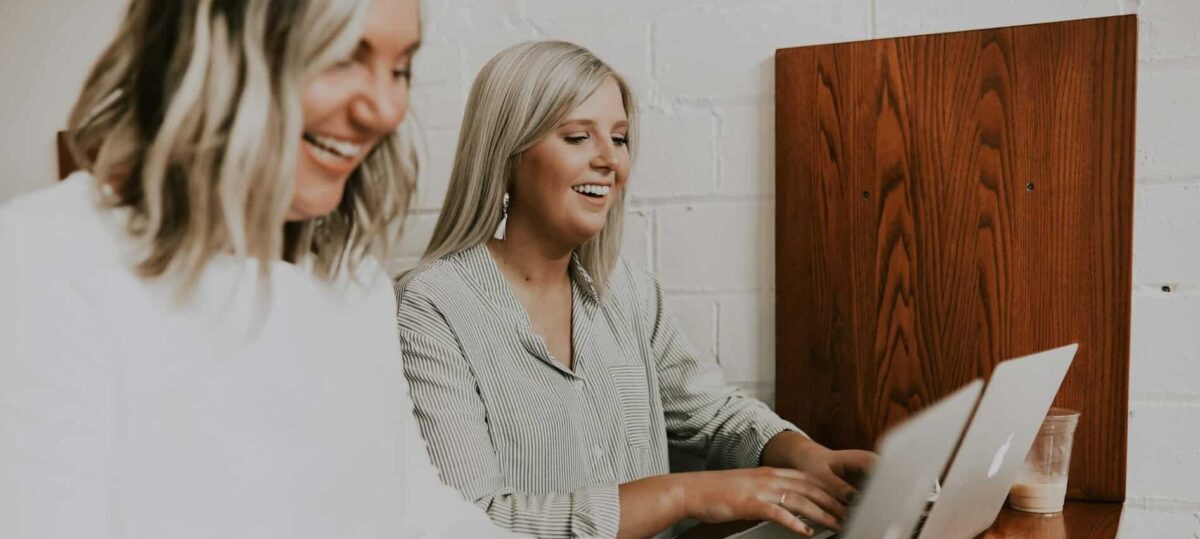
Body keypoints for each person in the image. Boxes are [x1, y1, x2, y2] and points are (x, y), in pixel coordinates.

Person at [0, 1, 517, 537]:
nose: (385, 109)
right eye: (340, 56)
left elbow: (419, 513)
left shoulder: (354, 279)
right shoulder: (45, 260)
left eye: (400, 69)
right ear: (213, 49)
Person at [395, 40, 875, 539]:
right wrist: (685, 494)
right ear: (508, 153)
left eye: (620, 139)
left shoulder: (626, 291)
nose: (610, 160)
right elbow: (474, 520)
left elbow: (712, 412)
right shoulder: (432, 307)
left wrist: (809, 457)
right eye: (578, 136)